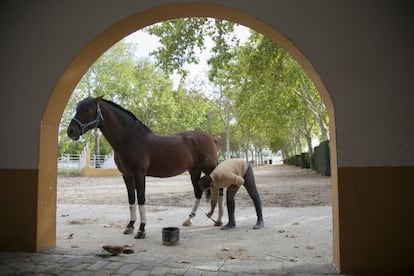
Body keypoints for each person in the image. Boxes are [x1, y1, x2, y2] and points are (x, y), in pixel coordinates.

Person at [199, 158, 264, 230]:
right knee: (229, 197)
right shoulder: (212, 181)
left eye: (208, 189)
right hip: (234, 173)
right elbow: (214, 198)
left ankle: (260, 220)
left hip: (244, 169)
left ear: (210, 184)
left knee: (253, 193)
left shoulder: (224, 175)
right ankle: (231, 223)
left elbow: (241, 181)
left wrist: (234, 186)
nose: (209, 190)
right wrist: (212, 211)